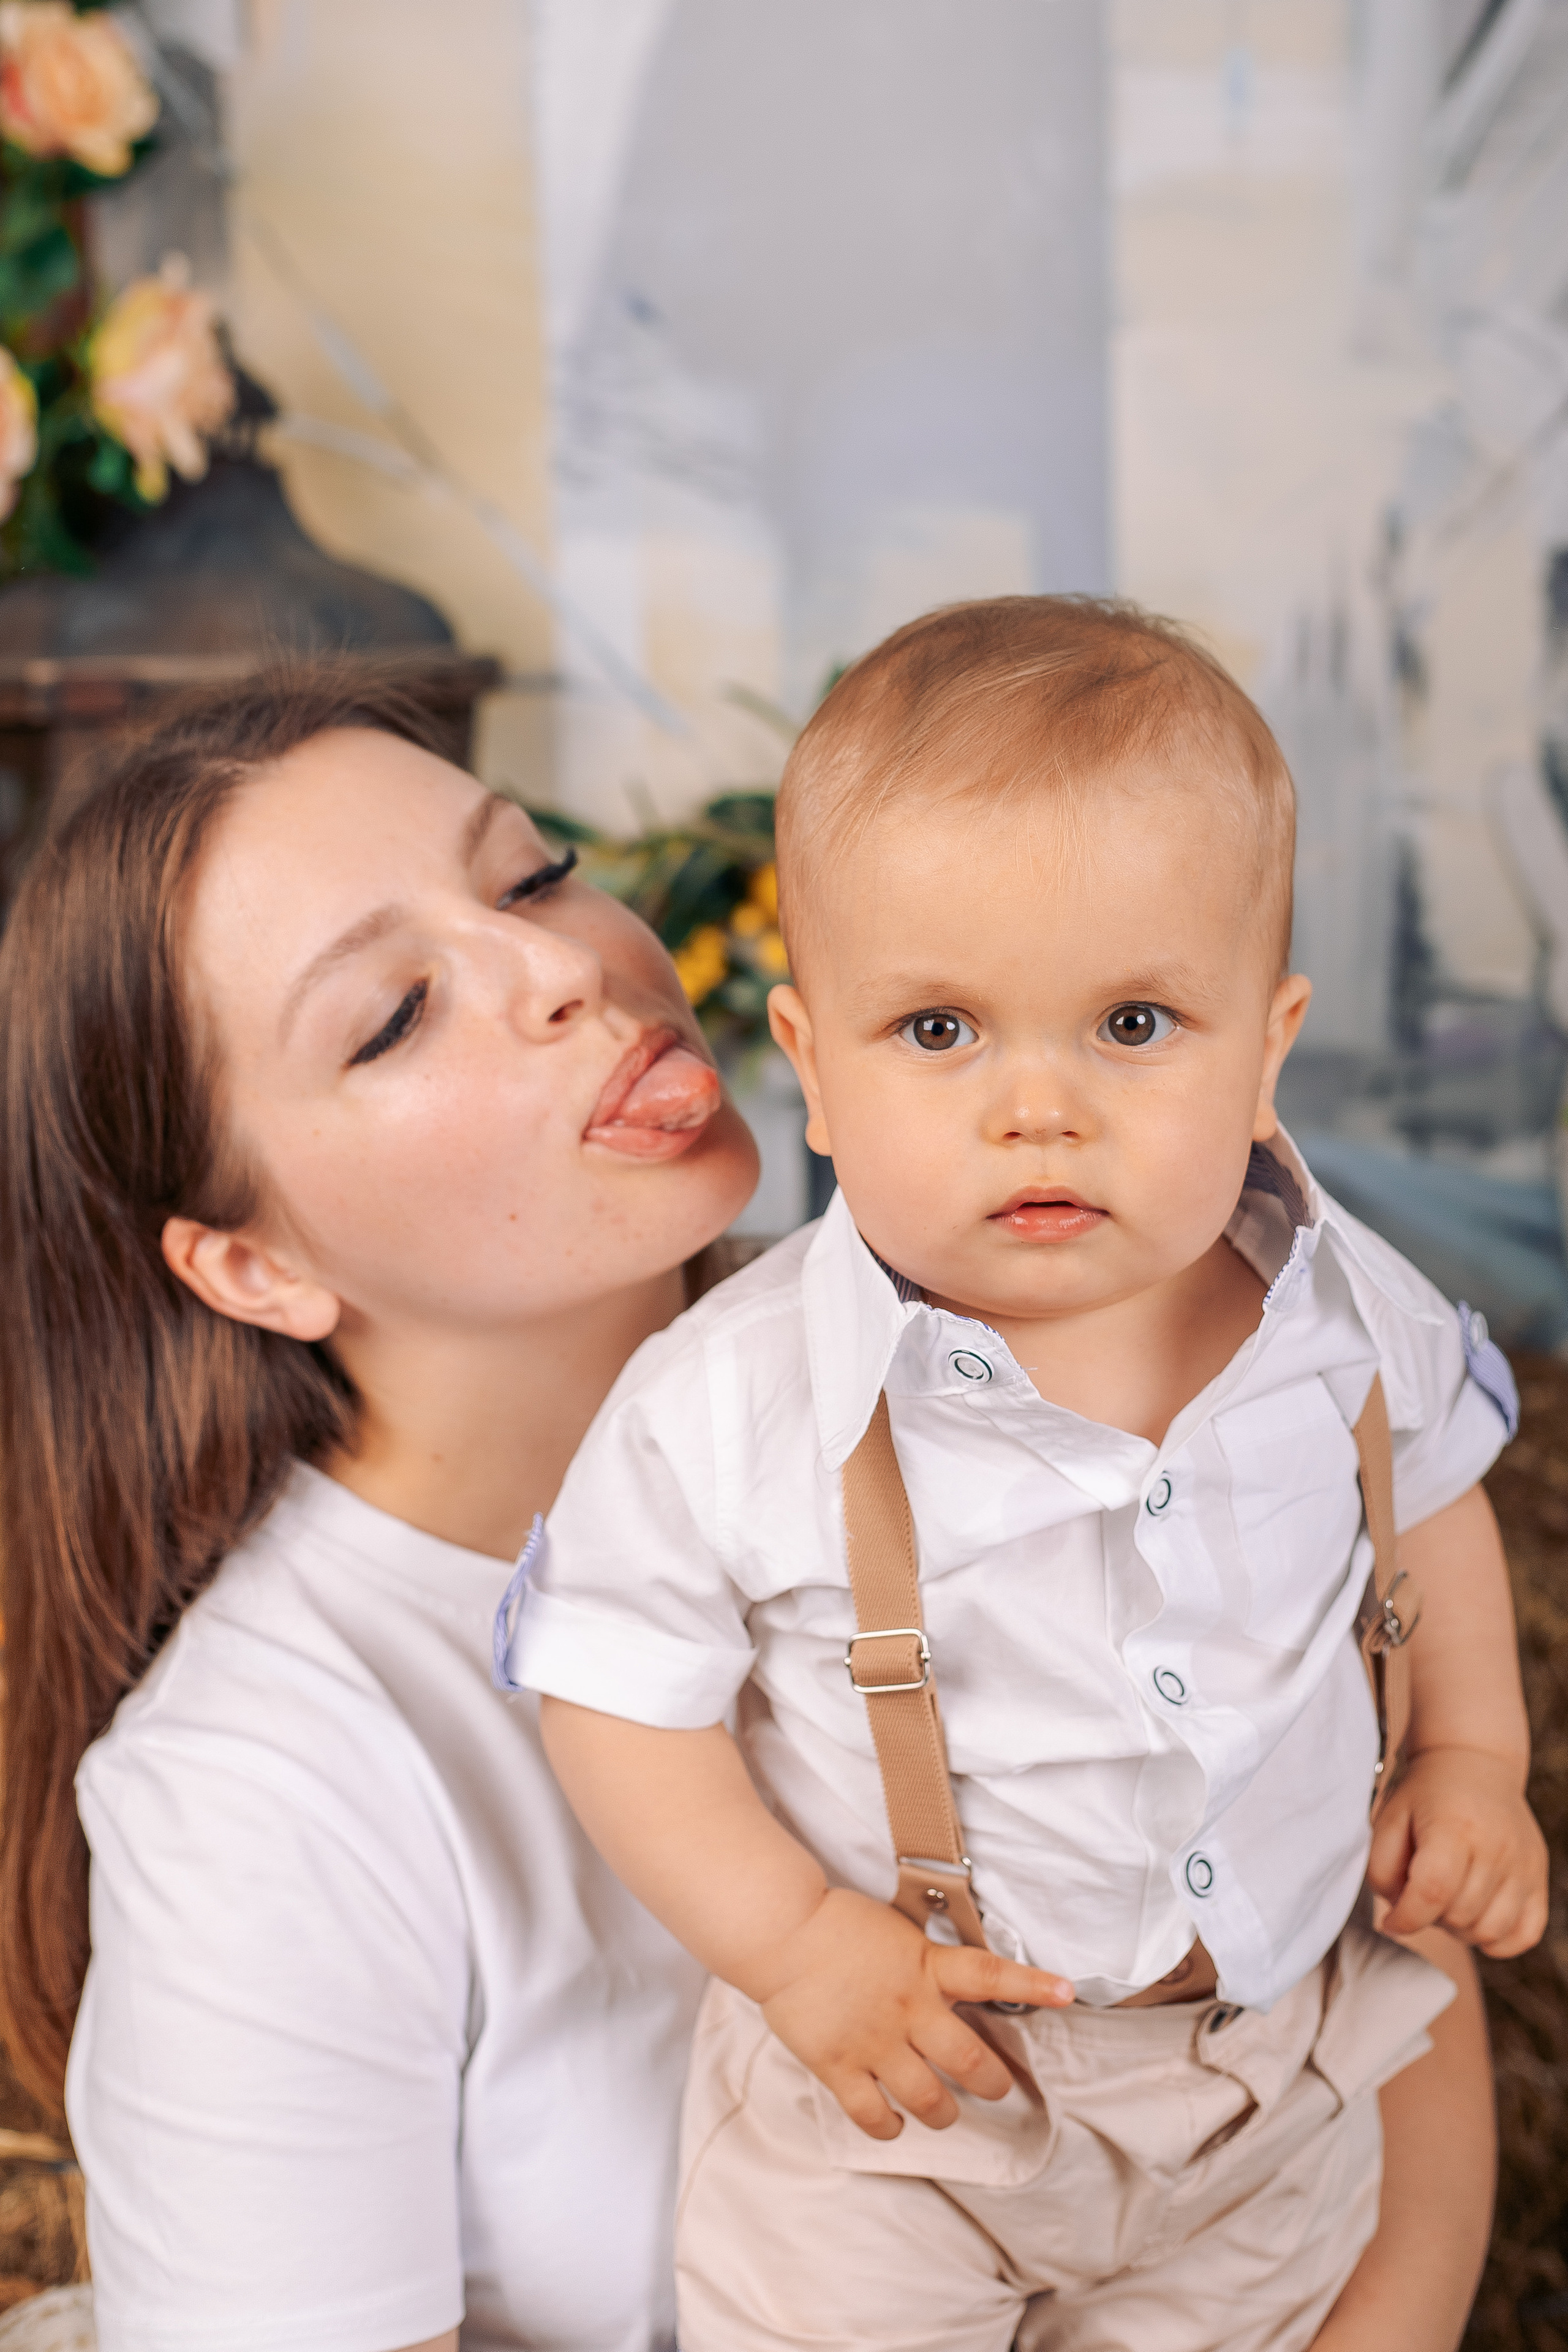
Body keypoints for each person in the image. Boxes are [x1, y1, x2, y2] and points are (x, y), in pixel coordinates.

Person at [505, 598, 1548, 2352]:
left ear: (1269, 1044)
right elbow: (614, 1699)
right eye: (940, 1033)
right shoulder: (728, 1401)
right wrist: (796, 1949)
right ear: (814, 1068)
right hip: (903, 2115)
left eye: (1135, 1025)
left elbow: (1429, 1499)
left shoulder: (1354, 1312)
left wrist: (1472, 1752)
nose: (1039, 1106)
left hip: (1259, 2080)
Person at [0, 666, 760, 2352]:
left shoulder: (982, 1382)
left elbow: (1372, 1983)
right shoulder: (266, 1797)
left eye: (538, 871)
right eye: (397, 1014)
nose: (572, 971)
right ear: (252, 1265)